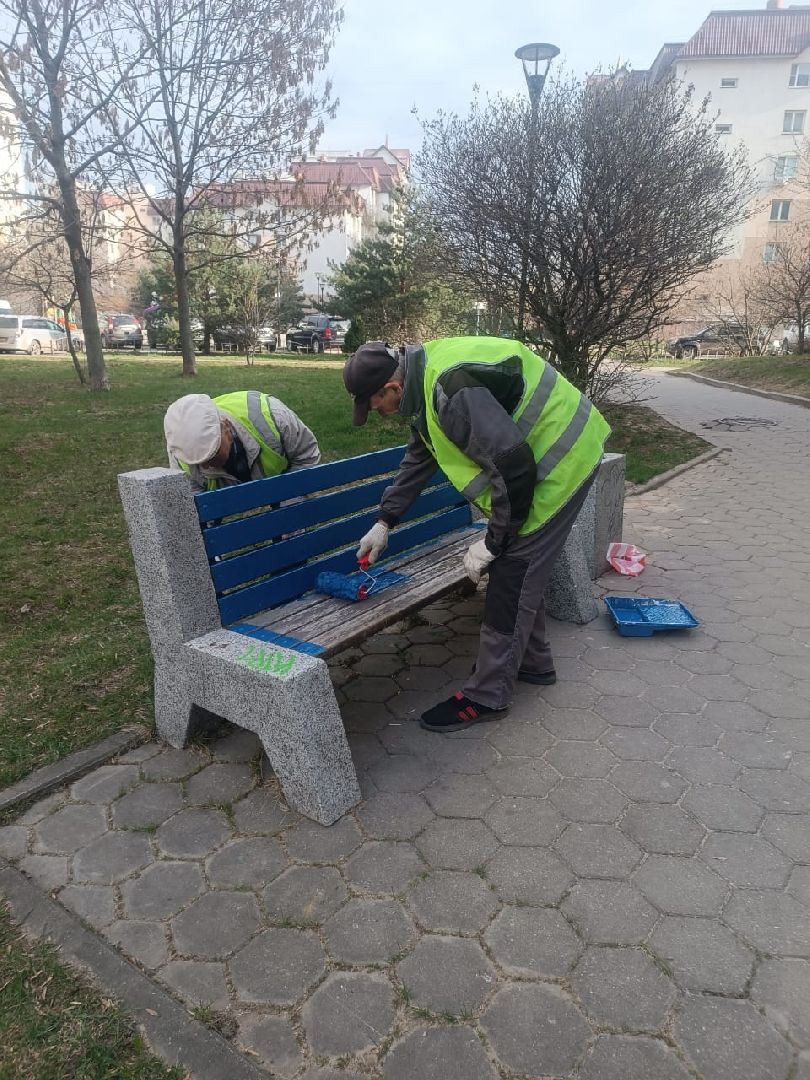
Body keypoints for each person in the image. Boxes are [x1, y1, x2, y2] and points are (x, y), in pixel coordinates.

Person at [343, 338, 610, 733]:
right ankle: (532, 664)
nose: (375, 413)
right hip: (539, 461)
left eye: (373, 404)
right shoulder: (423, 385)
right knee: (516, 574)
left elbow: (514, 467)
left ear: (393, 388)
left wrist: (492, 541)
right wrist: (385, 521)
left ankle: (488, 695)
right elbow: (422, 454)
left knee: (511, 575)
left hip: (560, 459)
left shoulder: (449, 390)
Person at [164, 391, 320, 492]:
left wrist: (290, 505)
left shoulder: (273, 416)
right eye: (200, 461)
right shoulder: (181, 453)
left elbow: (307, 457)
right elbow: (194, 512)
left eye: (213, 454)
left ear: (225, 427)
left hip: (284, 490)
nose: (208, 466)